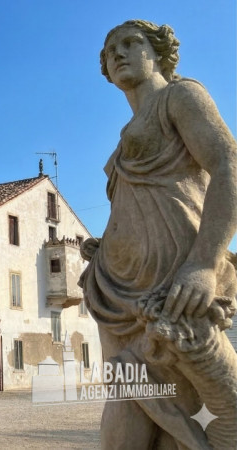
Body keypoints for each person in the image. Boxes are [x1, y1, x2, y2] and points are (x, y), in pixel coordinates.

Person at [81, 19, 237, 448]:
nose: (118, 54)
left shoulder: (180, 97)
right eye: (111, 51)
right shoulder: (122, 138)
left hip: (174, 284)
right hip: (113, 287)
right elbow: (134, 207)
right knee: (129, 396)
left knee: (185, 405)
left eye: (130, 43)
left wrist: (204, 262)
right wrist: (104, 242)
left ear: (158, 52)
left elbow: (228, 164)